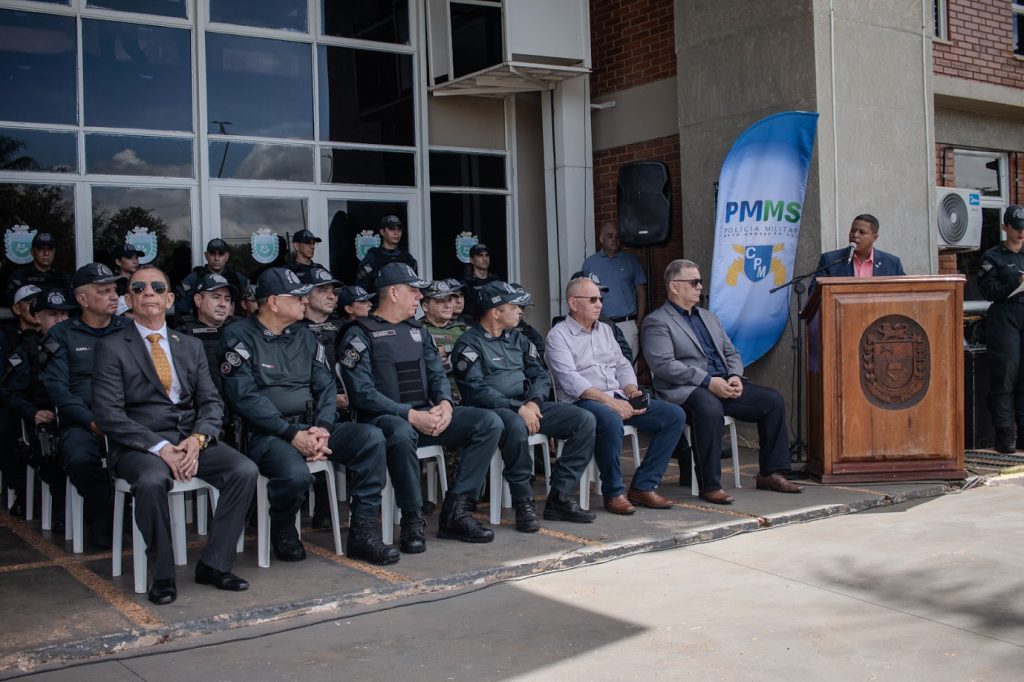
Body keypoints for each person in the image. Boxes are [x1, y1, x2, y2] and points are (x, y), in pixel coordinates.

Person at [92, 266, 258, 605]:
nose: (148, 292)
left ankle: (214, 565)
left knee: (244, 470)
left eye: (157, 287)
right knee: (152, 481)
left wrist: (198, 440)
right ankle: (163, 574)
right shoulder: (111, 347)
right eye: (139, 288)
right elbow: (108, 414)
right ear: (128, 300)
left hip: (188, 439)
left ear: (169, 299)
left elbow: (211, 401)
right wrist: (161, 447)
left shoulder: (190, 345)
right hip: (140, 446)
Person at [219, 268, 397, 565]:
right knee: (295, 474)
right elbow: (244, 397)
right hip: (268, 434)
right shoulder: (238, 336)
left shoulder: (304, 335)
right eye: (298, 297)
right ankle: (283, 526)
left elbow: (326, 386)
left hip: (313, 427)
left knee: (371, 437)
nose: (305, 301)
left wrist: (323, 428)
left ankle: (363, 532)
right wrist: (291, 434)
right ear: (273, 302)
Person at [339, 263, 502, 547]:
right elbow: (362, 393)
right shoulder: (359, 333)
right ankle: (412, 519)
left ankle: (457, 511)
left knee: (488, 422)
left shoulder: (418, 331)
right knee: (401, 433)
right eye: (413, 290)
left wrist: (445, 404)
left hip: (424, 415)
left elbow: (436, 374)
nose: (419, 296)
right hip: (383, 420)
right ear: (393, 293)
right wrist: (410, 415)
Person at [642, 259, 803, 504]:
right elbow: (663, 365)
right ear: (674, 286)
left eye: (700, 282)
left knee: (772, 401)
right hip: (687, 389)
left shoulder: (709, 317)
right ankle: (710, 485)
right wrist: (708, 381)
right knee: (709, 408)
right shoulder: (657, 321)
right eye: (694, 282)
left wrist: (735, 376)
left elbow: (731, 353)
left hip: (723, 384)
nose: (699, 287)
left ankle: (770, 473)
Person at [452, 281, 597, 529]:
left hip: (527, 405)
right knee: (516, 425)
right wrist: (517, 408)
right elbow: (476, 391)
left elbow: (540, 374)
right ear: (495, 311)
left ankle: (560, 495)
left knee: (583, 420)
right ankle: (523, 501)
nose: (520, 312)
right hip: (492, 412)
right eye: (514, 307)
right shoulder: (469, 343)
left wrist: (534, 401)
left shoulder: (518, 339)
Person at [546, 275, 684, 515]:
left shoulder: (605, 330)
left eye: (600, 299)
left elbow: (621, 364)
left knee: (674, 415)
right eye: (592, 299)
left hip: (617, 395)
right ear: (573, 303)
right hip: (582, 402)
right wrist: (611, 403)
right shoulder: (558, 335)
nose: (599, 304)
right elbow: (570, 380)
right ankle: (614, 492)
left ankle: (644, 485)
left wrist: (631, 390)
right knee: (610, 419)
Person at [41, 263, 127, 549]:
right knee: (79, 459)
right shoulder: (61, 335)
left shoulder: (128, 329)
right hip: (83, 422)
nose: (113, 296)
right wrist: (90, 421)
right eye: (103, 291)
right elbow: (58, 389)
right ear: (82, 299)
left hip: (128, 418)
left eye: (114, 290)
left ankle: (132, 512)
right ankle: (106, 515)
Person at [1, 289, 77, 524]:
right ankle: (61, 511)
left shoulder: (82, 343)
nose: (59, 320)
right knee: (50, 451)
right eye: (52, 315)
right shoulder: (29, 350)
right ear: (38, 318)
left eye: (64, 314)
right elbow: (10, 393)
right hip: (48, 419)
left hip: (82, 415)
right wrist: (32, 413)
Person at [294, 266, 348, 530]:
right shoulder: (292, 330)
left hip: (345, 404)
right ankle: (321, 507)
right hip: (307, 408)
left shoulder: (344, 328)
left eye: (333, 291)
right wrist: (329, 401)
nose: (331, 296)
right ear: (305, 295)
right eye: (323, 290)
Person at [978, 205, 1024, 453]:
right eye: (1016, 228)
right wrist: (1015, 284)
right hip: (1005, 315)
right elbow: (988, 291)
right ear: (1005, 227)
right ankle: (1005, 435)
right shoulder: (992, 256)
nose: (1020, 233)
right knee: (1005, 375)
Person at [581, 221, 648, 359]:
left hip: (627, 324)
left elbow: (641, 291)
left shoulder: (631, 260)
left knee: (629, 367)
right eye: (610, 236)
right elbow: (583, 294)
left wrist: (639, 320)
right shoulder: (590, 263)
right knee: (602, 365)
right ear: (601, 239)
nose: (614, 239)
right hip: (599, 323)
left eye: (617, 236)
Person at [175, 273, 238, 393]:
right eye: (216, 297)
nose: (223, 304)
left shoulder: (240, 332)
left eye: (227, 299)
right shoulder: (181, 335)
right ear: (198, 300)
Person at [815, 214, 906, 279]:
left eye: (862, 232)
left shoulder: (892, 263)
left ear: (874, 237)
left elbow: (905, 293)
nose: (855, 235)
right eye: (853, 230)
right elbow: (814, 293)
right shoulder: (830, 260)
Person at [420, 280, 468, 403]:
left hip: (464, 396)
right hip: (433, 399)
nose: (448, 305)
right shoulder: (416, 330)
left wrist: (446, 350)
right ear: (425, 307)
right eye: (440, 301)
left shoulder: (464, 330)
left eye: (449, 300)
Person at [176, 238, 250, 318]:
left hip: (233, 323)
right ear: (206, 255)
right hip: (200, 324)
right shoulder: (194, 278)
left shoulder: (238, 279)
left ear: (227, 256)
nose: (216, 258)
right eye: (212, 254)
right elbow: (181, 310)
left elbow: (250, 308)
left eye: (221, 254)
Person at [6, 232, 73, 305]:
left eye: (50, 249)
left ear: (54, 252)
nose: (46, 253)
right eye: (41, 249)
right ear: (32, 252)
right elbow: (15, 306)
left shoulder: (64, 278)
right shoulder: (20, 277)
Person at [355, 215, 418, 291]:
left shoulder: (407, 258)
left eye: (399, 229)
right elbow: (361, 286)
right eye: (392, 229)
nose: (396, 233)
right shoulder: (373, 257)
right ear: (382, 231)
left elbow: (414, 285)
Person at [461, 243, 500, 319]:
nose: (484, 259)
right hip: (473, 322)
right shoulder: (466, 283)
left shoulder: (496, 281)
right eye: (480, 255)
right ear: (472, 260)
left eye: (487, 255)